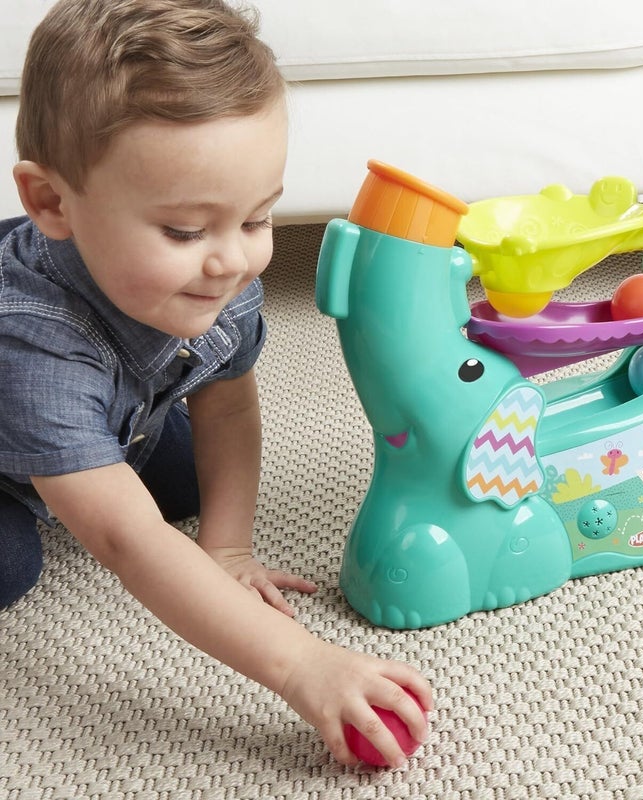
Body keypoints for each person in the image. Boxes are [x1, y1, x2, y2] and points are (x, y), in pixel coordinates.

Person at [0, 0, 431, 768]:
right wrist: (302, 664)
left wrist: (228, 551)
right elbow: (125, 542)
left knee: (188, 484)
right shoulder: (29, 344)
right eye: (185, 231)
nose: (232, 260)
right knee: (15, 562)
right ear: (51, 202)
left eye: (258, 218)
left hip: (117, 403)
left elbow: (226, 399)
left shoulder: (220, 277)